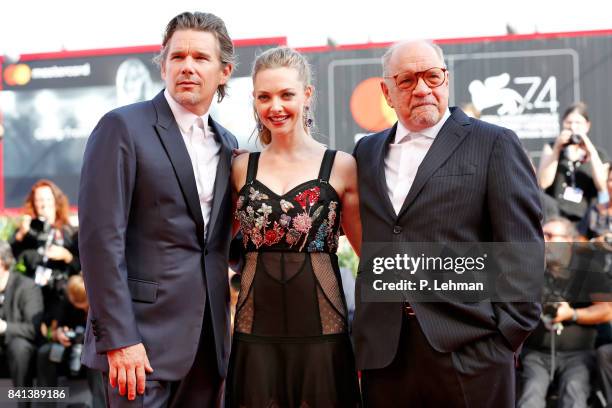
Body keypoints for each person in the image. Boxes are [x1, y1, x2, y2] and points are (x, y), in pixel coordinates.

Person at [352, 40, 544, 407]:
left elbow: (522, 247)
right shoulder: (366, 152)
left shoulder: (494, 143)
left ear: (446, 79)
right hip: (386, 354)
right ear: (387, 92)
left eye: (431, 76)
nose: (422, 88)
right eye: (406, 80)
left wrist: (505, 336)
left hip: (470, 349)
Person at [79, 11, 237, 407]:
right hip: (139, 346)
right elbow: (100, 242)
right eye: (177, 56)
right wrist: (119, 339)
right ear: (163, 64)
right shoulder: (122, 128)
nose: (187, 66)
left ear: (224, 72)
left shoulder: (229, 143)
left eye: (201, 58)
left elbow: (217, 246)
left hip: (208, 347)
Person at [226, 46, 362, 407]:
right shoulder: (241, 168)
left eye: (286, 94)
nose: (276, 106)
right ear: (254, 100)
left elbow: (369, 253)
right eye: (264, 96)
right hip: (254, 331)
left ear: (307, 95)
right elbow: (214, 246)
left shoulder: (342, 166)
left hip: (323, 330)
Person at [518, 217, 612, 408]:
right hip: (535, 354)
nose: (544, 240)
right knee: (530, 396)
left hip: (578, 355)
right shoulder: (530, 268)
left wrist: (572, 314)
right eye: (542, 235)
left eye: (551, 235)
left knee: (574, 393)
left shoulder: (588, 269)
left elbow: (607, 310)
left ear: (569, 241)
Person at [9, 179, 79, 326]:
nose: (44, 204)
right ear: (33, 203)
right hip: (32, 295)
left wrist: (67, 256)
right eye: (39, 199)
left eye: (47, 199)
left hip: (60, 297)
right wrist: (20, 234)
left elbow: (81, 270)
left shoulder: (69, 232)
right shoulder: (27, 231)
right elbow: (7, 259)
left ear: (56, 201)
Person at [37, 274, 105, 407]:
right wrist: (58, 334)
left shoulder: (101, 304)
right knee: (45, 353)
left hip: (94, 349)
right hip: (67, 347)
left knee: (97, 357)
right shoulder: (67, 302)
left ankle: (100, 404)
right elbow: (48, 329)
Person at [538, 102, 608, 222]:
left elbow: (602, 186)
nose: (573, 127)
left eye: (578, 123)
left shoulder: (599, 154)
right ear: (563, 123)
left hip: (586, 221)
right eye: (569, 122)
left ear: (587, 126)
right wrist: (557, 148)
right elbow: (543, 183)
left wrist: (590, 150)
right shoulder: (551, 148)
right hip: (555, 219)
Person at [0, 240, 43, 389]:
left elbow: (33, 329)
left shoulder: (26, 286)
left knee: (19, 347)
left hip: (20, 344)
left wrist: (4, 327)